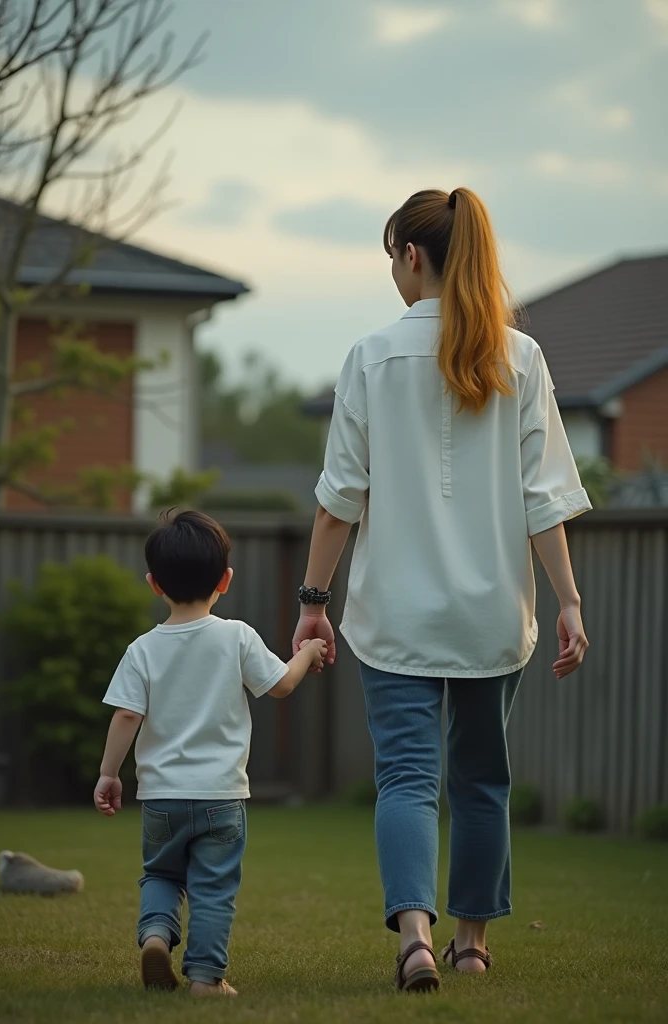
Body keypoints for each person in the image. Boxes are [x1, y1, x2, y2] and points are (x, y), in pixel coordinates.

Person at [293, 188, 591, 993]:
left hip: (395, 619)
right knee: (481, 783)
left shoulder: (370, 357)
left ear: (412, 257)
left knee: (407, 781)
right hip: (494, 616)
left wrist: (312, 603)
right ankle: (471, 946)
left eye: (392, 255)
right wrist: (566, 602)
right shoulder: (521, 358)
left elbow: (337, 502)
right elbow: (546, 501)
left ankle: (413, 940)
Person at [94, 509, 327, 997]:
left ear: (154, 584)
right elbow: (281, 686)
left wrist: (109, 773)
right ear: (225, 579)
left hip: (162, 798)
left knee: (160, 873)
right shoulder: (236, 636)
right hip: (222, 798)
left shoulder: (142, 650)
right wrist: (305, 654)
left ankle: (156, 935)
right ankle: (205, 978)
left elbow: (125, 717)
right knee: (213, 889)